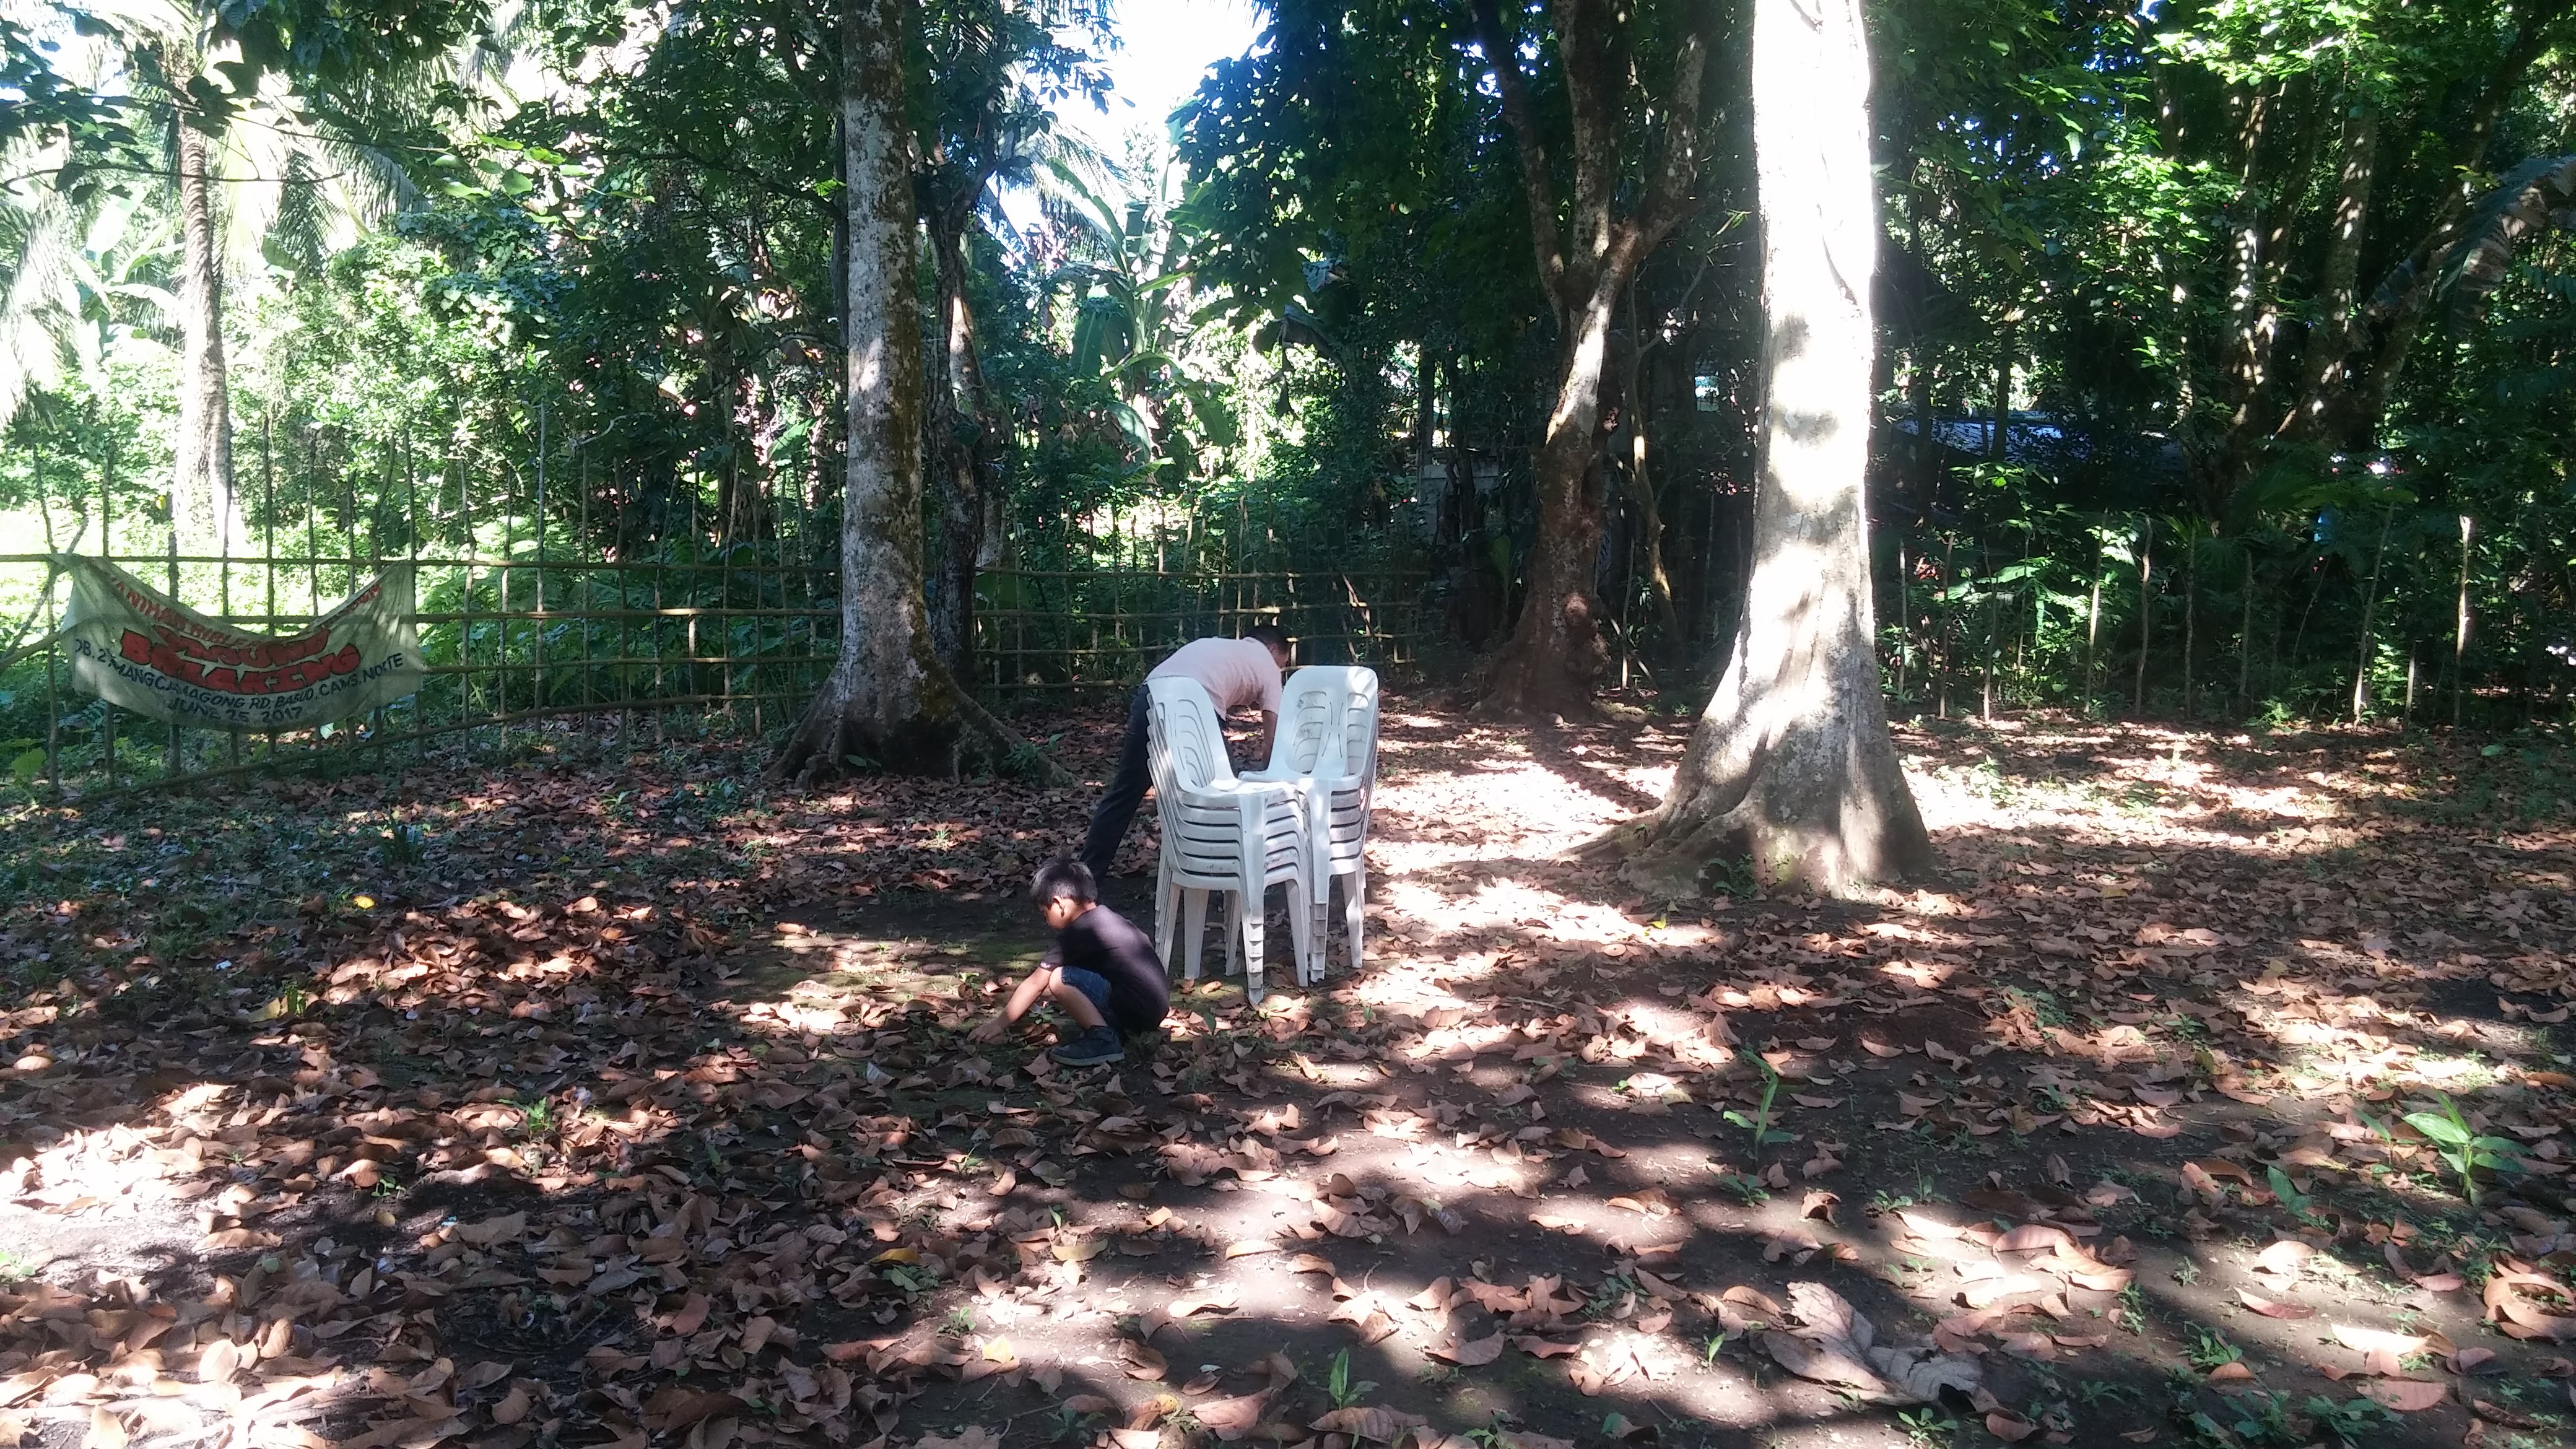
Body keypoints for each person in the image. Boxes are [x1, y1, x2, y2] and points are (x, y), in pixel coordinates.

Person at [1077, 625, 1290, 882]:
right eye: (1282, 664)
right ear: (1273, 649)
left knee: (1125, 793)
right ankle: (1225, 876)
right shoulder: (1267, 664)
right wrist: (1270, 779)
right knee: (1224, 796)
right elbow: (1272, 739)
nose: (1279, 670)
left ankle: (1085, 879)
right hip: (1195, 703)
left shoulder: (1220, 645)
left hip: (1151, 693)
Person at [968, 859, 1169, 1066]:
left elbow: (1036, 983)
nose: (1046, 921)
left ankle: (1103, 1041)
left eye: (1045, 913)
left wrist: (999, 1024)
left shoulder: (1080, 931)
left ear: (1059, 904)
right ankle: (1116, 1031)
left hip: (1136, 1011)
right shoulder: (1109, 919)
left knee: (1060, 978)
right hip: (1153, 1011)